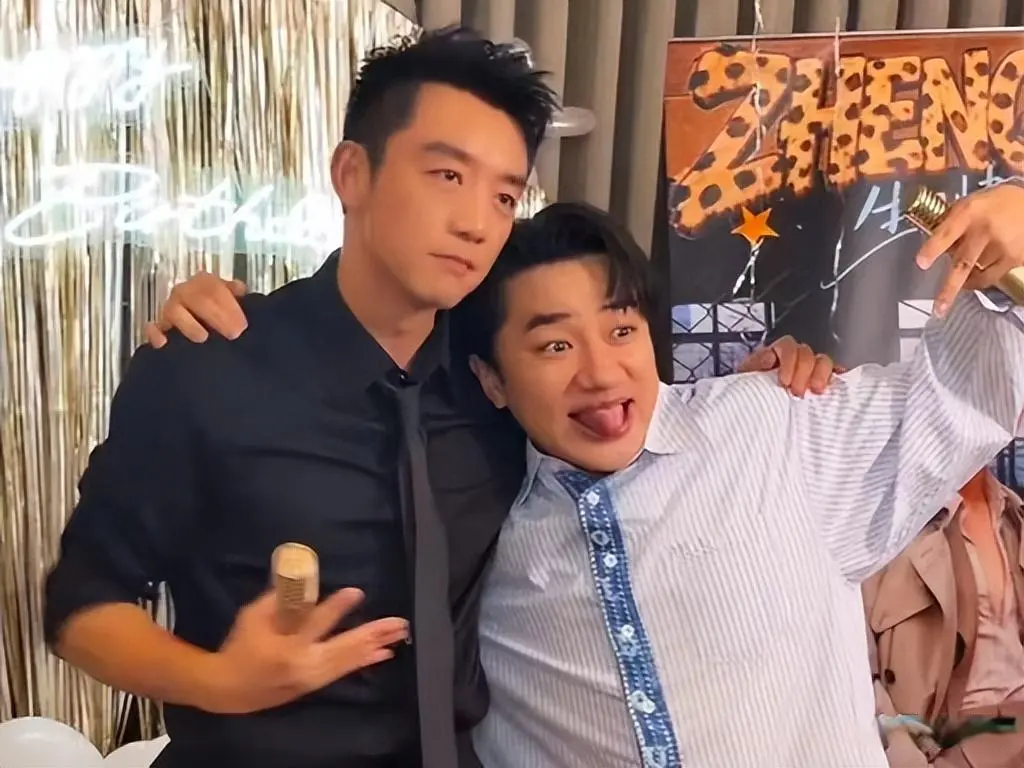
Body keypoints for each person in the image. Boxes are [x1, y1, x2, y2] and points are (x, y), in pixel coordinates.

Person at [143, 184, 1024, 767]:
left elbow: (973, 390)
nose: (602, 374)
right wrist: (234, 342)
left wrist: (1015, 260)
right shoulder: (473, 514)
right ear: (491, 379)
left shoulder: (777, 428)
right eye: (554, 345)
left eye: (621, 329)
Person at [44, 26, 558, 768]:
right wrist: (221, 682)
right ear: (352, 173)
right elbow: (80, 609)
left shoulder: (498, 382)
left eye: (504, 195)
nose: (476, 223)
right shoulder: (207, 369)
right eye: (447, 175)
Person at [867, 468, 1024, 768]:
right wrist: (902, 750)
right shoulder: (886, 522)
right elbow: (857, 662)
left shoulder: (1012, 513)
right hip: (949, 744)